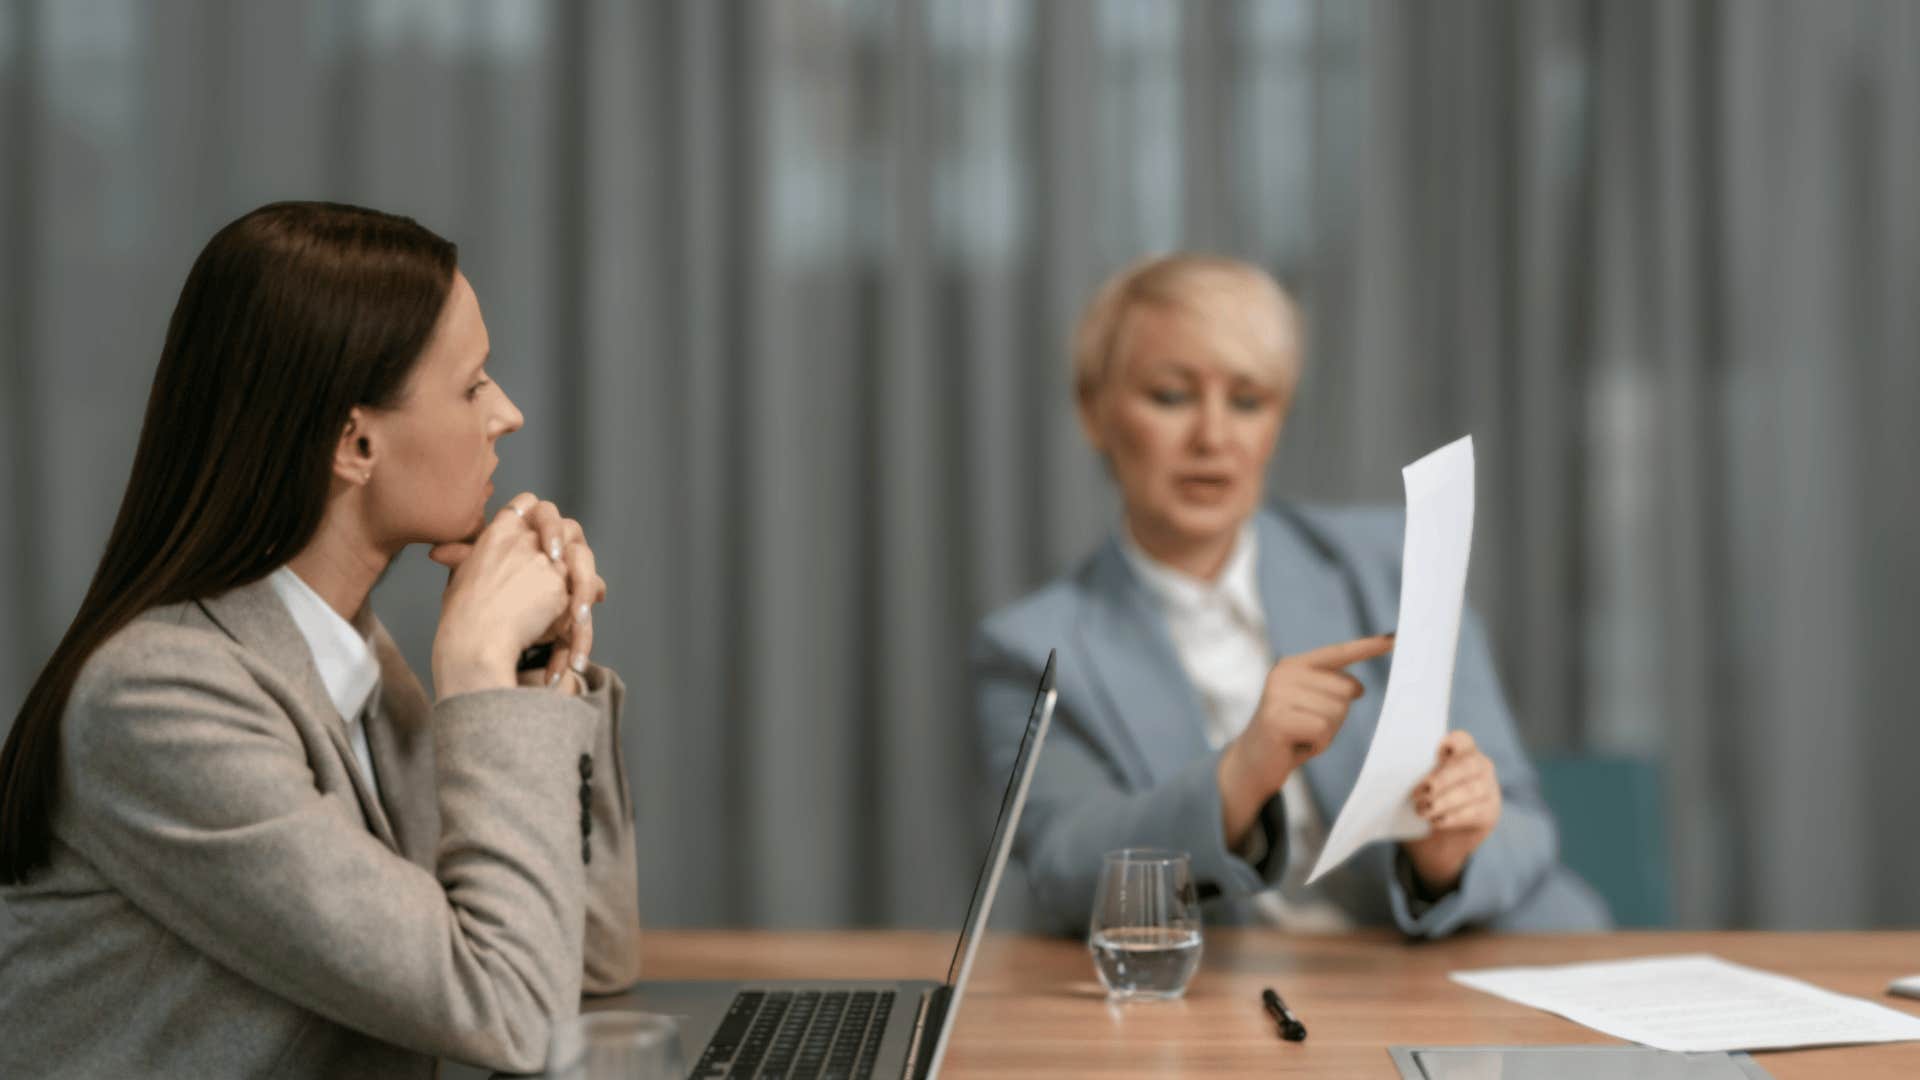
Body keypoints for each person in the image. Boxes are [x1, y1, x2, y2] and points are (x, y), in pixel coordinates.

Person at [0, 202, 642, 1076]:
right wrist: (479, 680)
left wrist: (535, 680)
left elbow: (585, 962)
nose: (509, 413)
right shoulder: (160, 701)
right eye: (473, 384)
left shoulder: (350, 661)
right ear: (356, 441)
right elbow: (512, 1014)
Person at [971, 254, 1608, 938]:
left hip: (1446, 972)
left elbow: (1524, 823)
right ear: (1094, 413)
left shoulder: (1392, 564)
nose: (1212, 438)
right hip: (1225, 1003)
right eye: (1170, 395)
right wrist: (1240, 776)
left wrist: (1447, 856)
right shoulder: (1033, 649)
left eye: (1247, 401)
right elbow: (1066, 868)